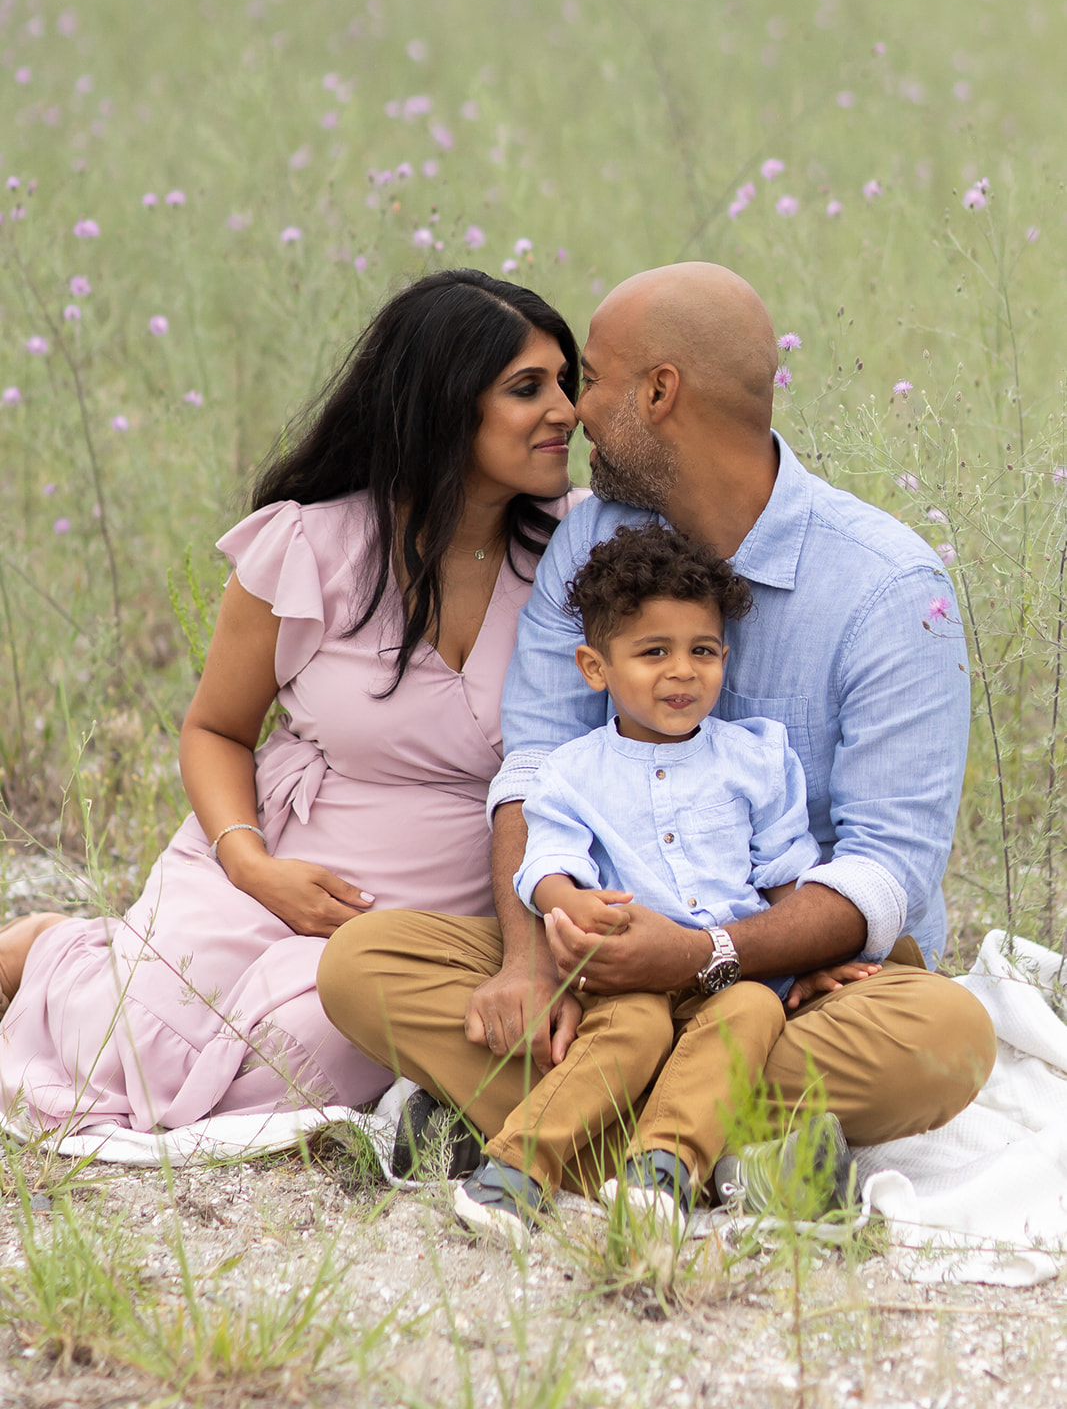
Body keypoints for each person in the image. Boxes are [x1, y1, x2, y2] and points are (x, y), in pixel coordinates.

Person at [318, 261, 998, 1201]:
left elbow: (886, 868)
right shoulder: (590, 536)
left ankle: (543, 1134)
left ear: (658, 393)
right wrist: (525, 960)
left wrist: (714, 953)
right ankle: (711, 1158)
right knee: (364, 964)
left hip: (790, 983)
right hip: (602, 970)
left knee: (947, 1041)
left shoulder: (889, 589)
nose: (574, 410)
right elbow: (536, 766)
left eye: (588, 379)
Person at [0, 268, 583, 1135]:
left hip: (442, 916)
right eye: (527, 388)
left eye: (566, 383)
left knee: (287, 1070)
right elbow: (216, 728)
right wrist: (253, 867)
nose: (566, 410)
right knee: (127, 1051)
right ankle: (49, 950)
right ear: (439, 404)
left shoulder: (582, 552)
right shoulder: (312, 548)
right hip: (274, 867)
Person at [454, 521, 874, 1239]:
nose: (682, 672)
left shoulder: (753, 758)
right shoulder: (571, 770)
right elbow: (546, 862)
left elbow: (784, 867)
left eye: (701, 652)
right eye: (654, 653)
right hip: (625, 972)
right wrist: (570, 904)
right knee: (631, 1030)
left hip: (731, 973)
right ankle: (516, 1170)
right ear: (595, 667)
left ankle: (659, 1174)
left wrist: (810, 950)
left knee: (752, 1016)